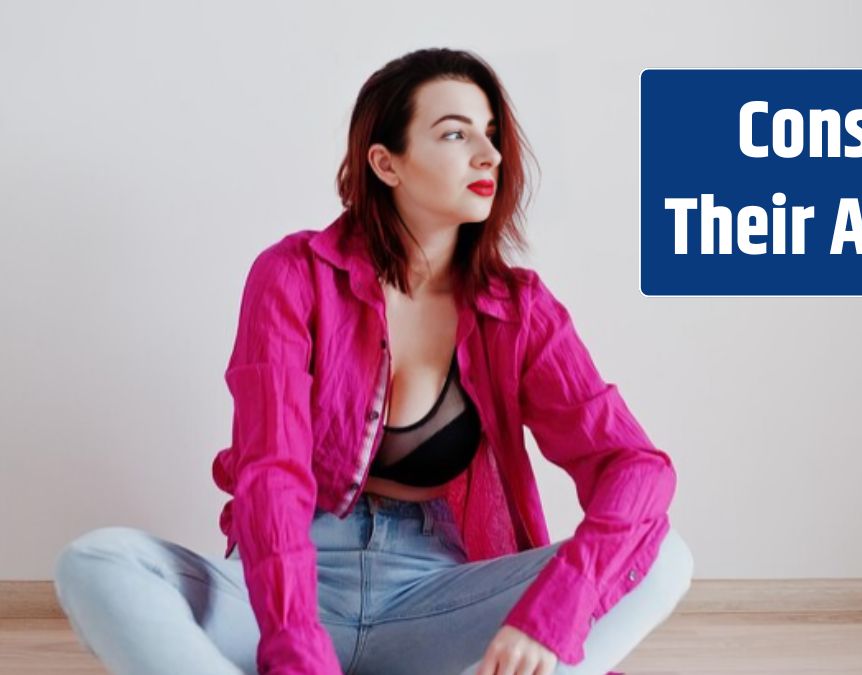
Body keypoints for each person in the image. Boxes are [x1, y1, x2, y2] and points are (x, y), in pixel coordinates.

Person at [52, 47, 693, 675]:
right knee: (98, 561)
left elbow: (633, 466)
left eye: (492, 135)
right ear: (386, 163)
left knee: (663, 557)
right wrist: (296, 648)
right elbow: (270, 472)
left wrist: (554, 613)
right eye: (454, 133)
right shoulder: (295, 276)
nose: (489, 154)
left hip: (431, 596)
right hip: (287, 585)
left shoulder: (520, 311)